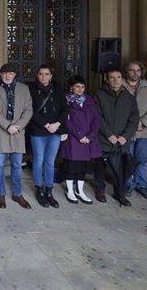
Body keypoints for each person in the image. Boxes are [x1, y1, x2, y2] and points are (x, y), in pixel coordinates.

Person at [0, 62, 33, 210]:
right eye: (5, 73)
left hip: (18, 132)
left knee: (17, 165)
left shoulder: (24, 89)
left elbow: (28, 110)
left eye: (11, 73)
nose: (7, 76)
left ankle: (17, 194)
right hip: (0, 131)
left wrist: (17, 126)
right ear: (0, 74)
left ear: (15, 75)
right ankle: (1, 193)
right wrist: (7, 126)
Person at [93, 68, 139, 205]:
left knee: (120, 168)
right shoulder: (99, 95)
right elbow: (97, 117)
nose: (115, 80)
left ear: (122, 79)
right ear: (107, 79)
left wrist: (126, 136)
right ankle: (100, 190)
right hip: (103, 138)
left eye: (118, 77)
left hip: (122, 140)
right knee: (99, 165)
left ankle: (120, 193)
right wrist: (108, 134)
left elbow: (134, 118)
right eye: (112, 77)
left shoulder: (129, 97)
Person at [28, 64, 68, 208]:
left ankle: (49, 191)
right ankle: (39, 189)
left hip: (55, 131)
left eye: (46, 74)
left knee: (50, 162)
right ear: (37, 75)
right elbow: (30, 110)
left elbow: (65, 108)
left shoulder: (58, 89)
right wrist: (46, 125)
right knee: (38, 161)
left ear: (51, 76)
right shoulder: (31, 89)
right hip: (38, 131)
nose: (43, 76)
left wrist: (57, 124)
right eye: (41, 74)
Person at [122, 61, 147, 200]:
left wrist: (143, 122)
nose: (135, 73)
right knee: (126, 159)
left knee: (143, 159)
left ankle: (141, 185)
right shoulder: (119, 84)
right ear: (126, 71)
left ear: (141, 72)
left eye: (138, 70)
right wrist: (131, 124)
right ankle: (127, 185)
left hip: (145, 130)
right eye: (131, 70)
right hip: (125, 130)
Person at [61, 76, 100, 205]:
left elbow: (96, 119)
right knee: (72, 165)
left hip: (88, 139)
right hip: (73, 138)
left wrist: (90, 136)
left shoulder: (89, 100)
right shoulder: (66, 100)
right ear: (71, 87)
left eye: (82, 86)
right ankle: (70, 191)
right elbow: (67, 121)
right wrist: (79, 135)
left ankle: (80, 191)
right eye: (77, 86)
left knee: (83, 167)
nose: (80, 89)